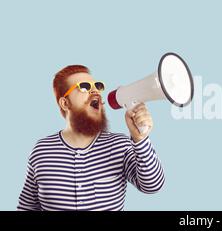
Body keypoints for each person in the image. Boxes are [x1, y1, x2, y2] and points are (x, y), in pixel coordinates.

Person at [17, 65, 165, 211]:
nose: (95, 91)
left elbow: (153, 185)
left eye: (98, 86)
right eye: (84, 86)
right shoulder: (42, 151)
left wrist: (140, 139)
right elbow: (27, 206)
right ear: (65, 103)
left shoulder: (119, 145)